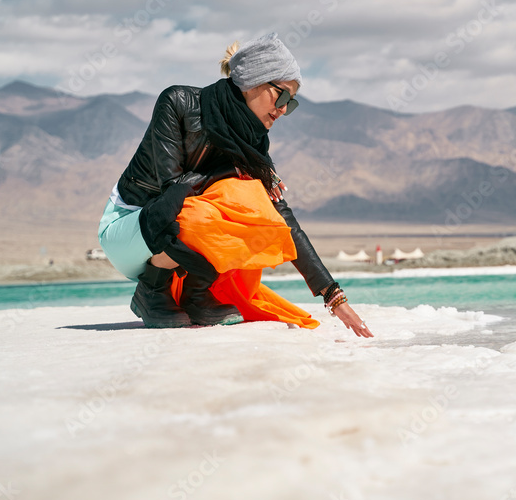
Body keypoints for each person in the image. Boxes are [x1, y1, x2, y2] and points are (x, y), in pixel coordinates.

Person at [97, 32, 372, 338]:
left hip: (174, 234)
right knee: (232, 195)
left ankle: (196, 293)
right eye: (281, 96)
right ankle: (152, 288)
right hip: (131, 228)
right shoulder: (179, 103)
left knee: (257, 203)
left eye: (290, 104)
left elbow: (281, 220)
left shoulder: (252, 144)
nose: (283, 109)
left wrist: (333, 296)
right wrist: (229, 171)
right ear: (253, 82)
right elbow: (171, 194)